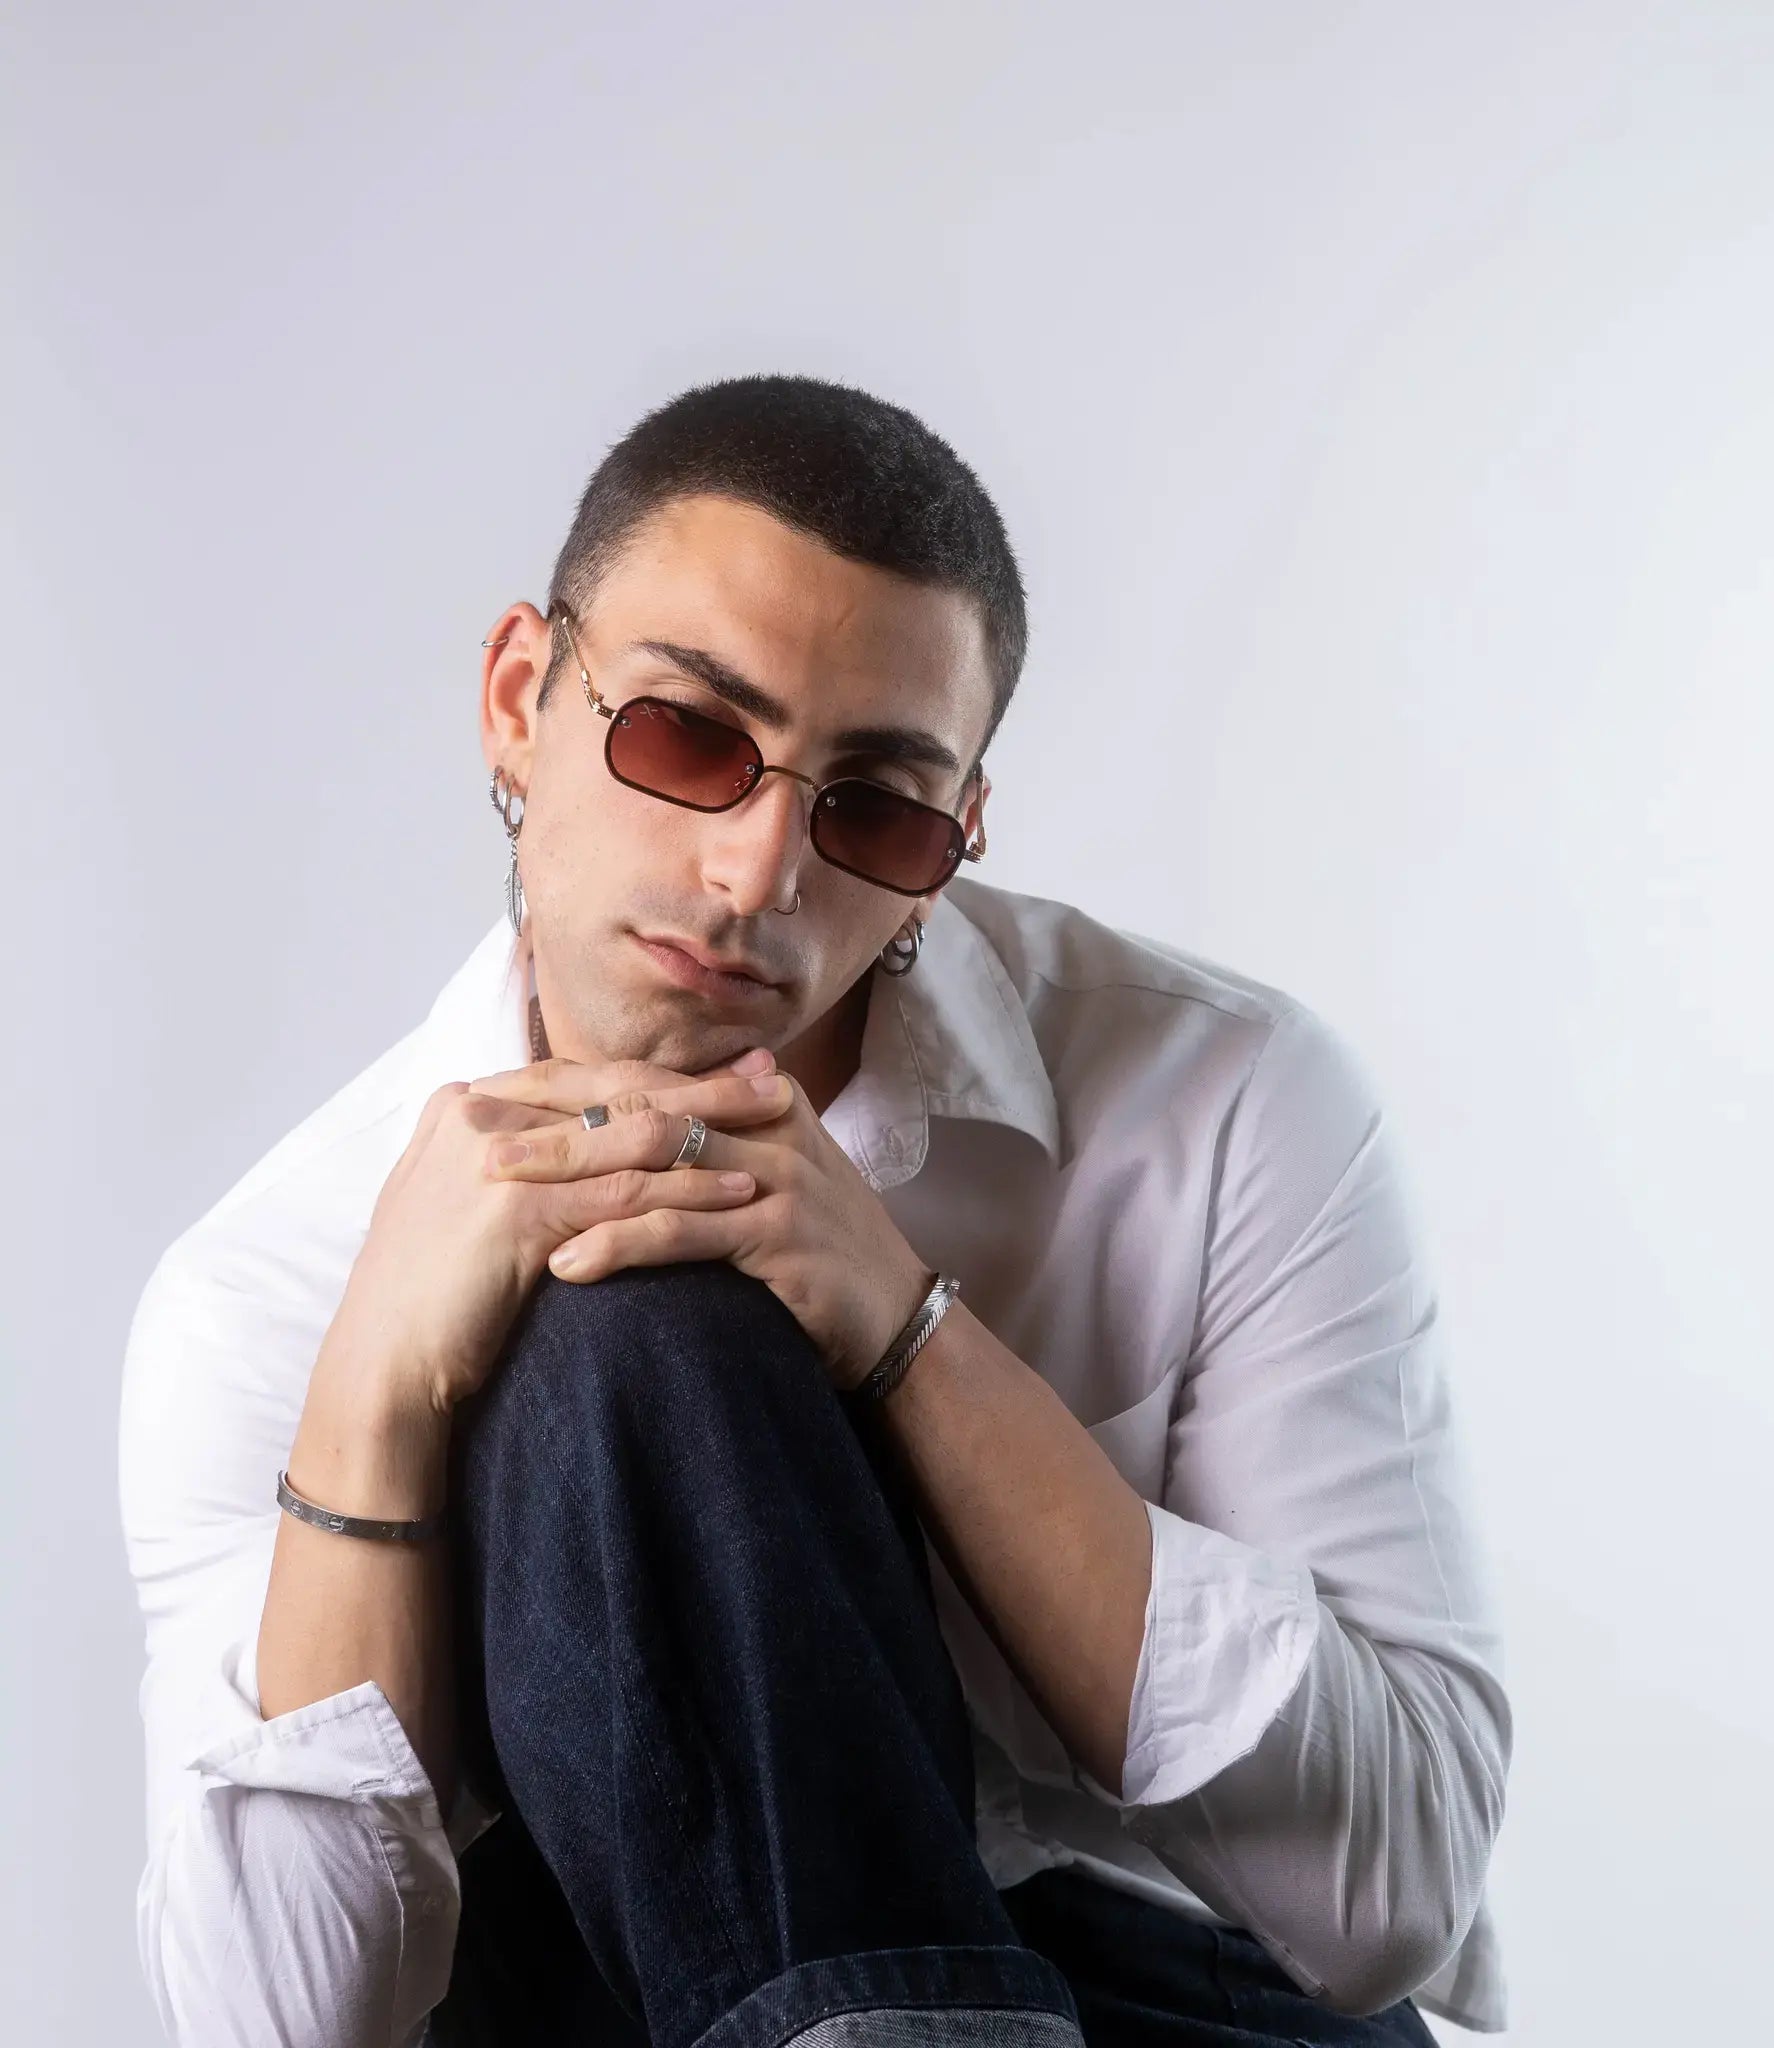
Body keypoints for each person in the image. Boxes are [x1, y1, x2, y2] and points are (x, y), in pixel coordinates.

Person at [118, 374, 1511, 2048]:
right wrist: (366, 1412)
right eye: (689, 736)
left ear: (959, 829)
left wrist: (912, 1339)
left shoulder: (1223, 1103)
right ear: (516, 698)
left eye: (871, 805)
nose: (760, 870)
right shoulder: (274, 1284)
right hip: (622, 2009)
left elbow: (1400, 1899)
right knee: (624, 1312)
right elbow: (289, 2032)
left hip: (1165, 2002)